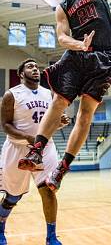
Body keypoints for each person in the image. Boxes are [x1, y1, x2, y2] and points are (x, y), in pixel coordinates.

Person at [18, 0, 111, 192]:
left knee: (86, 114)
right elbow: (62, 38)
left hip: (103, 55)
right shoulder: (63, 6)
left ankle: (62, 168)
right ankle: (36, 151)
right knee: (59, 101)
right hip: (78, 54)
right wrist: (80, 44)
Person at [0, 59, 69, 245]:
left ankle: (51, 237)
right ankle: (0, 229)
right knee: (12, 197)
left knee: (48, 190)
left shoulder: (49, 94)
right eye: (30, 67)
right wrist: (29, 138)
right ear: (21, 74)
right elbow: (5, 125)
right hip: (17, 147)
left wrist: (59, 122)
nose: (35, 69)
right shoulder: (11, 94)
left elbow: (51, 121)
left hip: (45, 147)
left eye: (37, 67)